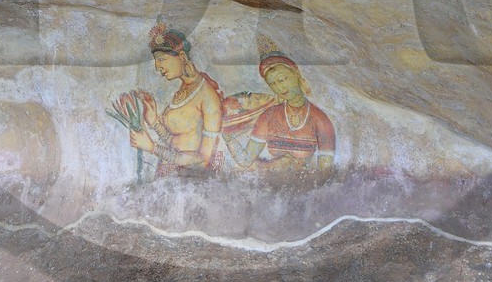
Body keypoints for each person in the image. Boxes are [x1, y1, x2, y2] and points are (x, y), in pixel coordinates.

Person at [224, 38, 336, 174]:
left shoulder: (320, 120)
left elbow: (324, 173)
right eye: (272, 83)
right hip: (269, 183)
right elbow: (246, 160)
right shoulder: (268, 116)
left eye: (282, 79)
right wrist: (229, 139)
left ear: (296, 75)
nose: (279, 87)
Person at [127, 24, 225, 176]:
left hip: (189, 180)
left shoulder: (208, 97)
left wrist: (152, 147)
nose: (157, 67)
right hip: (170, 174)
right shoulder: (184, 90)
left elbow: (202, 159)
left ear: (182, 57)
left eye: (161, 59)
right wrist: (153, 121)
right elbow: (175, 141)